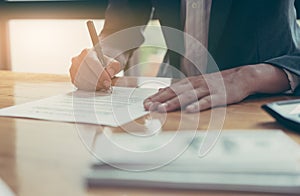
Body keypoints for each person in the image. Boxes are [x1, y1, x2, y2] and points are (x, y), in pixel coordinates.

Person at [70, 0, 300, 113]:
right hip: (174, 103)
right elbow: (122, 24)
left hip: (264, 106)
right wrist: (104, 56)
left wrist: (250, 76)